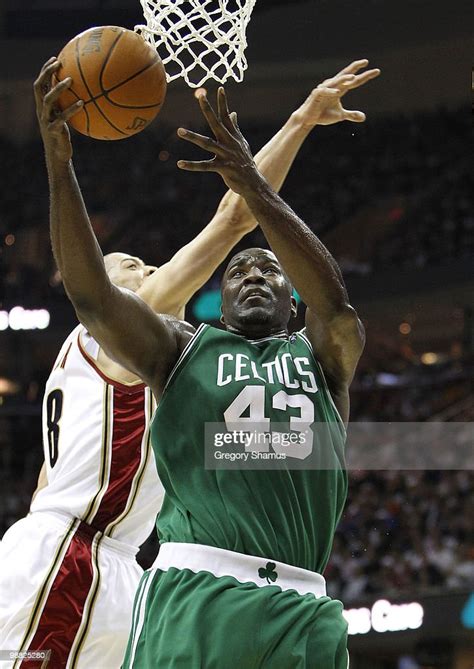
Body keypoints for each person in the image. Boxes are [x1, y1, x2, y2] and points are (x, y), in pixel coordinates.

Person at [0, 56, 378, 669]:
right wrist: (302, 120)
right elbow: (234, 220)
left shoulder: (112, 363)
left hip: (107, 556)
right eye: (136, 266)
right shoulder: (112, 332)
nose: (150, 273)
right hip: (75, 551)